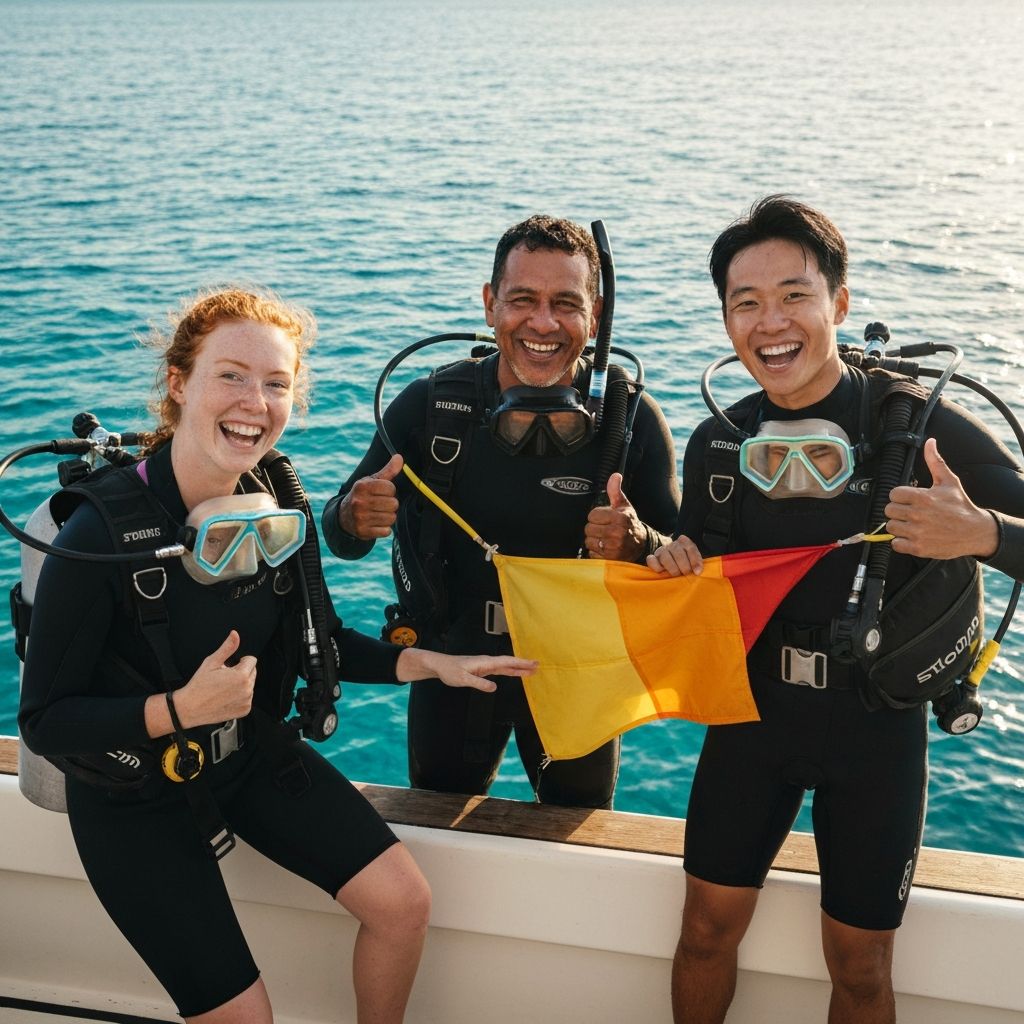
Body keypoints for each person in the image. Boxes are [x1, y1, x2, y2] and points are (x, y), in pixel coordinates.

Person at [17, 288, 536, 1024]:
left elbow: (316, 637)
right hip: (132, 798)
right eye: (231, 375)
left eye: (276, 383)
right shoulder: (95, 538)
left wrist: (434, 664)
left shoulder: (270, 502)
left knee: (403, 904)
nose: (254, 401)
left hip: (246, 755)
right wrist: (178, 711)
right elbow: (45, 722)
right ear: (178, 382)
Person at [647, 196, 1024, 1024]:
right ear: (725, 319)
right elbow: (692, 570)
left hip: (874, 726)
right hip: (752, 718)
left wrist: (982, 532)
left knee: (860, 966)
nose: (770, 322)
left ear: (838, 304)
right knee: (705, 931)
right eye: (745, 302)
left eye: (794, 295)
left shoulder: (920, 428)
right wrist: (648, 552)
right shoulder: (720, 440)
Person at [323, 215, 680, 808]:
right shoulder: (433, 408)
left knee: (580, 840)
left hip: (577, 669)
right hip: (453, 663)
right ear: (490, 305)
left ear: (594, 314)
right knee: (440, 838)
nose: (543, 323)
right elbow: (342, 537)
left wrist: (638, 542)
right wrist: (354, 517)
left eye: (566, 303)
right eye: (522, 300)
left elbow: (686, 557)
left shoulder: (630, 418)